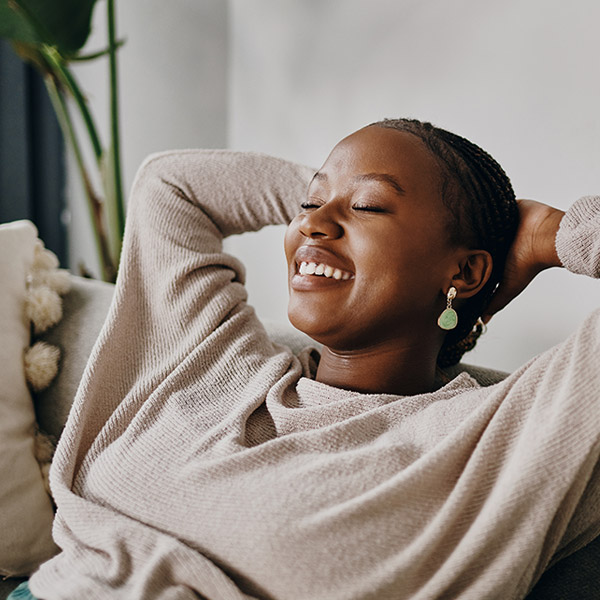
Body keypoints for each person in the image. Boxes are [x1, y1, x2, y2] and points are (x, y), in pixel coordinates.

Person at [17, 119, 600, 599]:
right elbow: (171, 187)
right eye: (309, 203)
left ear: (465, 270)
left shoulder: (500, 436)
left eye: (370, 206)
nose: (311, 225)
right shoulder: (215, 359)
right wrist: (335, 192)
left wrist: (546, 239)